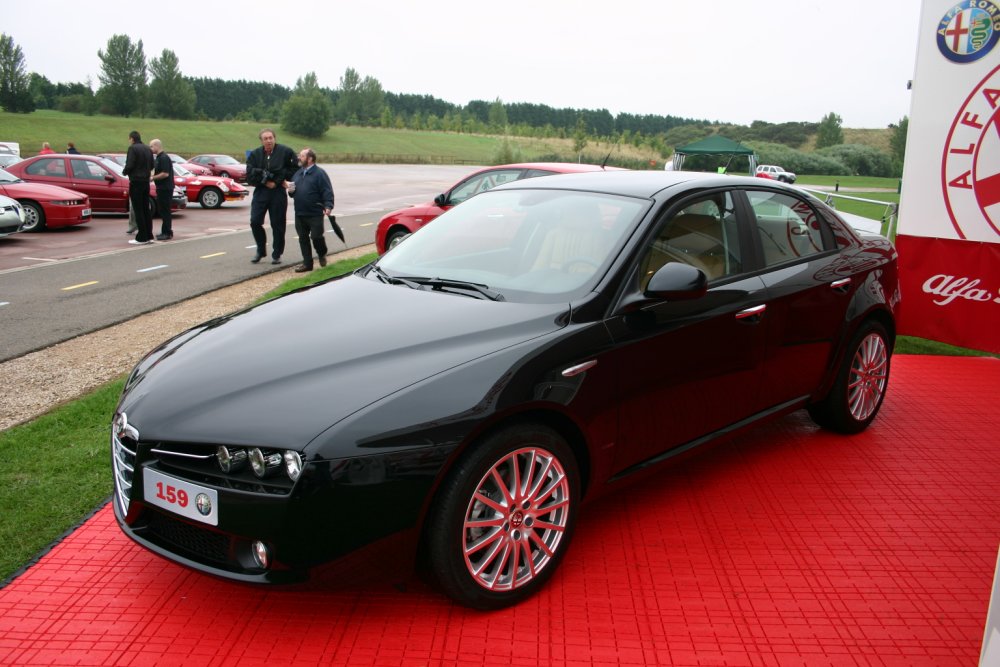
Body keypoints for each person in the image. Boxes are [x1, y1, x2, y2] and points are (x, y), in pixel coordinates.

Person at [246, 128, 298, 264]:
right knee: (255, 221)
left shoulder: (286, 152)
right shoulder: (255, 155)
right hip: (261, 192)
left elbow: (295, 169)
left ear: (274, 138)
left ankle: (277, 253)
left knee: (278, 224)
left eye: (271, 138)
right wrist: (265, 182)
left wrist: (279, 180)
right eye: (265, 138)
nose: (269, 140)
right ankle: (260, 249)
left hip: (278, 193)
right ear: (261, 141)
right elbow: (249, 175)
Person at [287, 147, 334, 273]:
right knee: (303, 238)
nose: (298, 158)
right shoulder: (297, 173)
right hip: (300, 212)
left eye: (301, 156)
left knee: (316, 237)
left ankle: (322, 253)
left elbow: (327, 190)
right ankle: (307, 264)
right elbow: (293, 191)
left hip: (315, 213)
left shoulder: (320, 173)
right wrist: (290, 191)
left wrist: (328, 206)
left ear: (310, 159)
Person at [122, 130, 154, 245]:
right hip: (146, 181)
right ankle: (149, 235)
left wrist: (125, 172)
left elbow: (130, 164)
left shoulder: (132, 149)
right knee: (146, 208)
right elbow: (151, 165)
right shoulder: (147, 149)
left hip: (136, 181)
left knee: (138, 209)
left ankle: (141, 237)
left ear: (132, 139)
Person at [150, 139, 174, 240]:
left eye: (151, 146)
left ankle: (167, 232)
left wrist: (152, 178)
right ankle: (166, 231)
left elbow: (165, 173)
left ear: (157, 146)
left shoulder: (164, 158)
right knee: (163, 210)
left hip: (165, 188)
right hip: (161, 187)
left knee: (165, 210)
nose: (150, 149)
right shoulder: (159, 158)